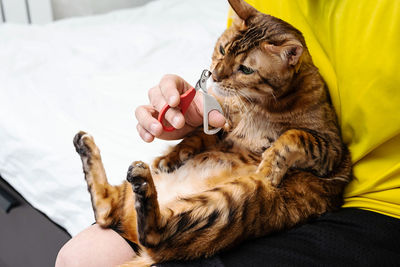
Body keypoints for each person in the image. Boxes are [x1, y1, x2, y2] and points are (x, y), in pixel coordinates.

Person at [56, 1, 400, 266]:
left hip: (377, 202)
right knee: (81, 257)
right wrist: (200, 111)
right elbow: (233, 91)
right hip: (251, 166)